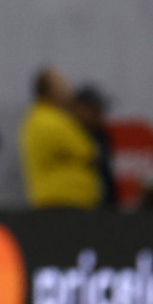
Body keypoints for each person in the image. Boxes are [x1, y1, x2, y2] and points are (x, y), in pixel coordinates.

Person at [20, 67, 102, 209]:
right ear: (51, 90)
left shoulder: (38, 118)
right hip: (62, 203)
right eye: (63, 85)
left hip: (60, 202)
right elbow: (88, 151)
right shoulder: (51, 120)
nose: (68, 90)